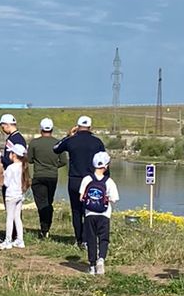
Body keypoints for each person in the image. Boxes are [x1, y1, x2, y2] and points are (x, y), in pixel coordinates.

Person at [53, 116, 107, 248]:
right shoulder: (97, 142)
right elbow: (104, 161)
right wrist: (105, 181)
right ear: (90, 127)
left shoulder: (71, 140)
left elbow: (56, 148)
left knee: (76, 210)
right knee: (89, 210)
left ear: (77, 127)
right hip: (91, 181)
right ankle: (87, 239)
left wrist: (68, 135)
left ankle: (79, 239)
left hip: (75, 180)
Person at [78, 151, 118, 274]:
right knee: (103, 238)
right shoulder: (109, 181)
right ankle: (101, 259)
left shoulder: (87, 179)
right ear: (106, 166)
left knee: (91, 239)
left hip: (90, 214)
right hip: (104, 214)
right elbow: (114, 199)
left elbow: (81, 197)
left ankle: (92, 266)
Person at [28, 118, 61, 237]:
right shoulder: (58, 143)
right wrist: (53, 166)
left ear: (41, 129)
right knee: (48, 202)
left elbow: (29, 159)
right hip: (53, 176)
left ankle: (44, 228)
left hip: (39, 176)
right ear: (52, 129)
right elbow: (63, 161)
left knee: (41, 203)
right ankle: (46, 228)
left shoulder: (34, 143)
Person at [0, 141, 28, 249]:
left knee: (9, 218)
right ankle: (20, 240)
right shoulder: (23, 167)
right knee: (17, 217)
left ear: (14, 155)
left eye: (11, 153)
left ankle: (8, 240)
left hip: (11, 195)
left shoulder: (11, 168)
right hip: (19, 194)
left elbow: (6, 183)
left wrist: (3, 174)